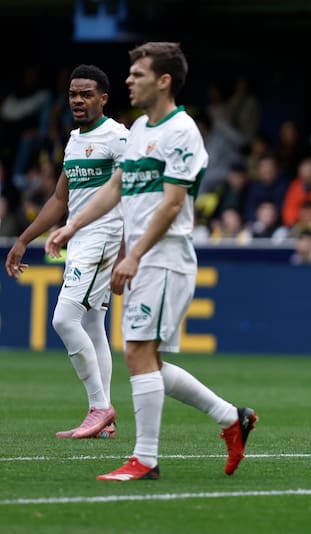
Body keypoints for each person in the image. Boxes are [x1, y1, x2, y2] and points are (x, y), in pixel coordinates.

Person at [45, 42, 257, 481]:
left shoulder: (182, 131)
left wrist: (133, 254)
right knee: (146, 358)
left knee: (138, 353)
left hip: (165, 257)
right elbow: (116, 188)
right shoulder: (140, 128)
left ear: (163, 81)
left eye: (138, 74)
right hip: (144, 260)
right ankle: (232, 418)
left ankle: (146, 458)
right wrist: (71, 226)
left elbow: (172, 204)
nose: (129, 80)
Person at [5, 64, 127, 440]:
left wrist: (127, 250)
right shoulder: (74, 140)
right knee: (92, 326)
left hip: (104, 237)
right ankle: (104, 420)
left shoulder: (118, 137)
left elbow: (132, 191)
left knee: (63, 320)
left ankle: (99, 407)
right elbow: (61, 198)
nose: (77, 100)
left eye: (86, 94)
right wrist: (25, 238)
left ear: (103, 98)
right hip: (79, 239)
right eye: (73, 94)